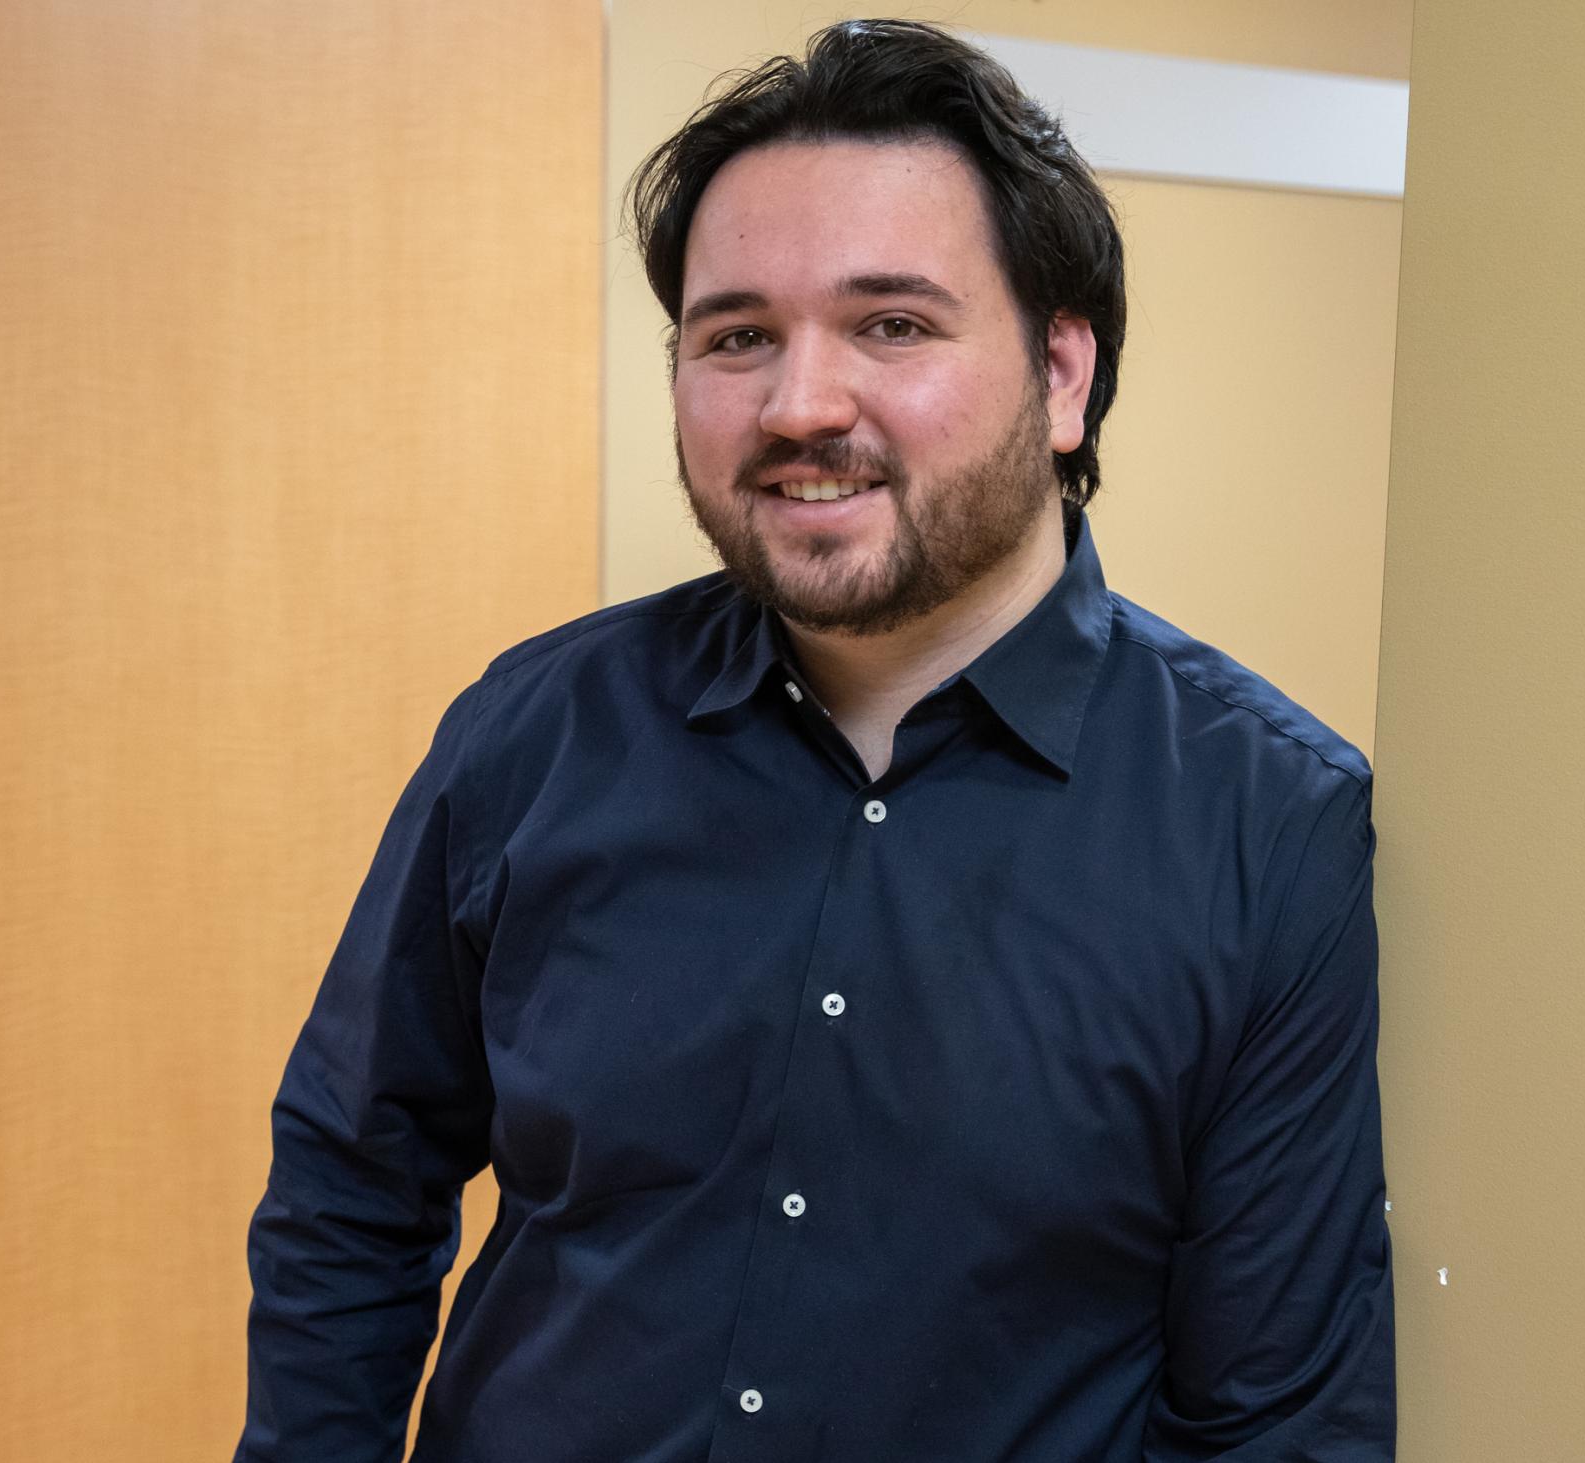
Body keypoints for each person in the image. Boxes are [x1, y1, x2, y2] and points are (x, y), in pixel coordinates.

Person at [236, 19, 1394, 1461]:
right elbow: (354, 1181)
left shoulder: (1267, 826)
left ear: (1059, 373)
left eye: (892, 324)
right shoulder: (531, 737)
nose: (799, 406)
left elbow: (1273, 1418)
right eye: (736, 337)